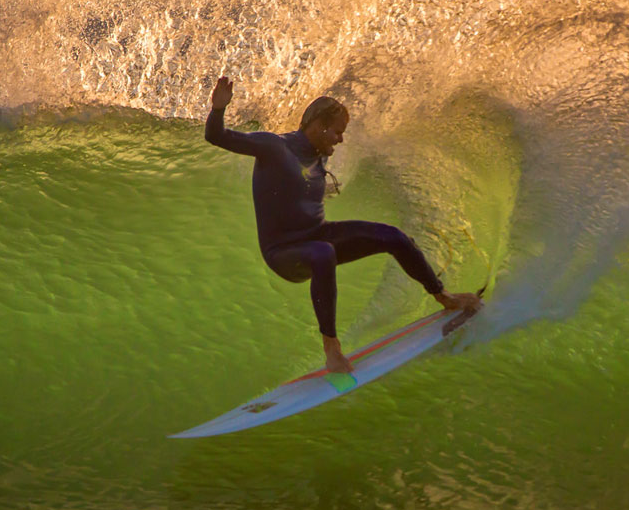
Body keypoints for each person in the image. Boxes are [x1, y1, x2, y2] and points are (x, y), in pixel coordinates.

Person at [204, 76, 482, 373]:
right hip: (284, 252)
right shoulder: (275, 146)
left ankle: (444, 296)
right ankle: (332, 349)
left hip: (317, 236)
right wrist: (219, 109)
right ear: (319, 125)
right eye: (337, 132)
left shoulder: (317, 157)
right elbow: (217, 136)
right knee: (323, 253)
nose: (340, 139)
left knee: (392, 236)